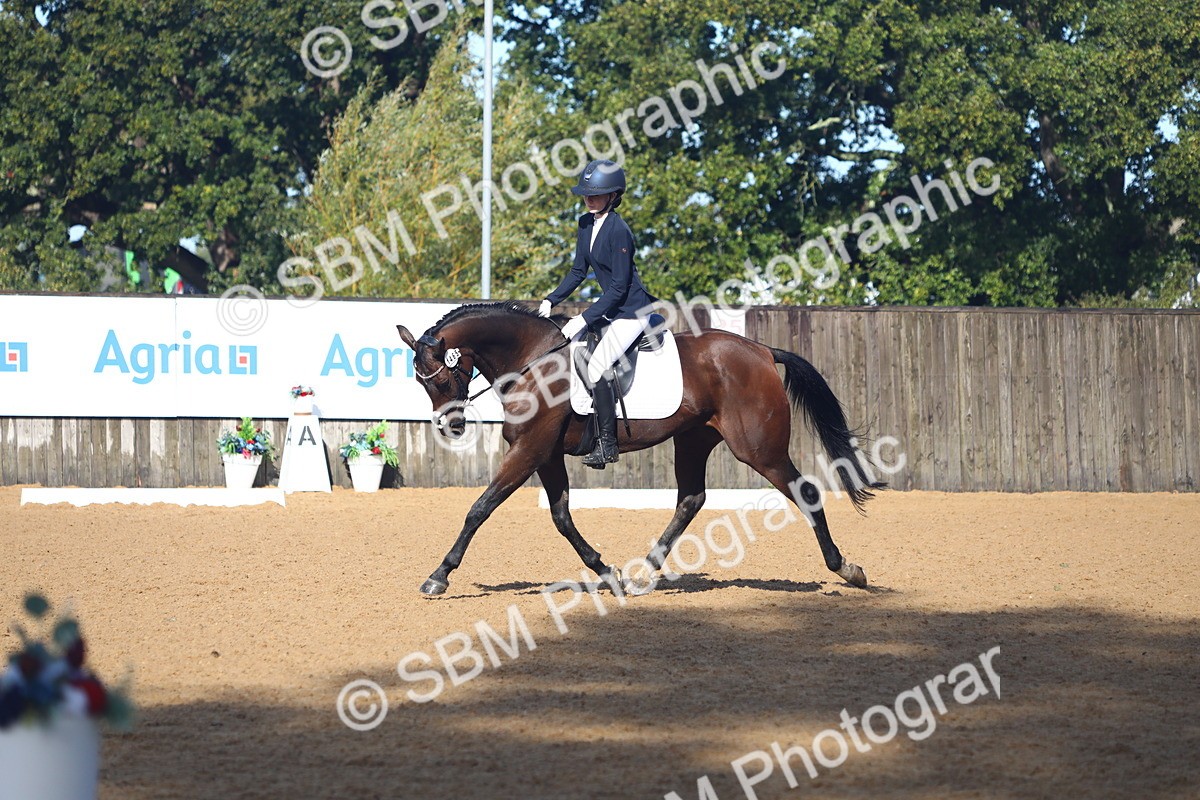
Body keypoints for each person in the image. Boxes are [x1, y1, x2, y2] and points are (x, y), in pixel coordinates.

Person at [538, 159, 657, 469]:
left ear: (613, 195)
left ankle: (607, 445)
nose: (588, 199)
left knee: (597, 366)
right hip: (612, 310)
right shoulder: (585, 223)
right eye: (586, 194)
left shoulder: (620, 231)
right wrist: (552, 299)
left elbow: (618, 289)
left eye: (596, 194)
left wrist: (583, 318)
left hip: (632, 311)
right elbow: (578, 271)